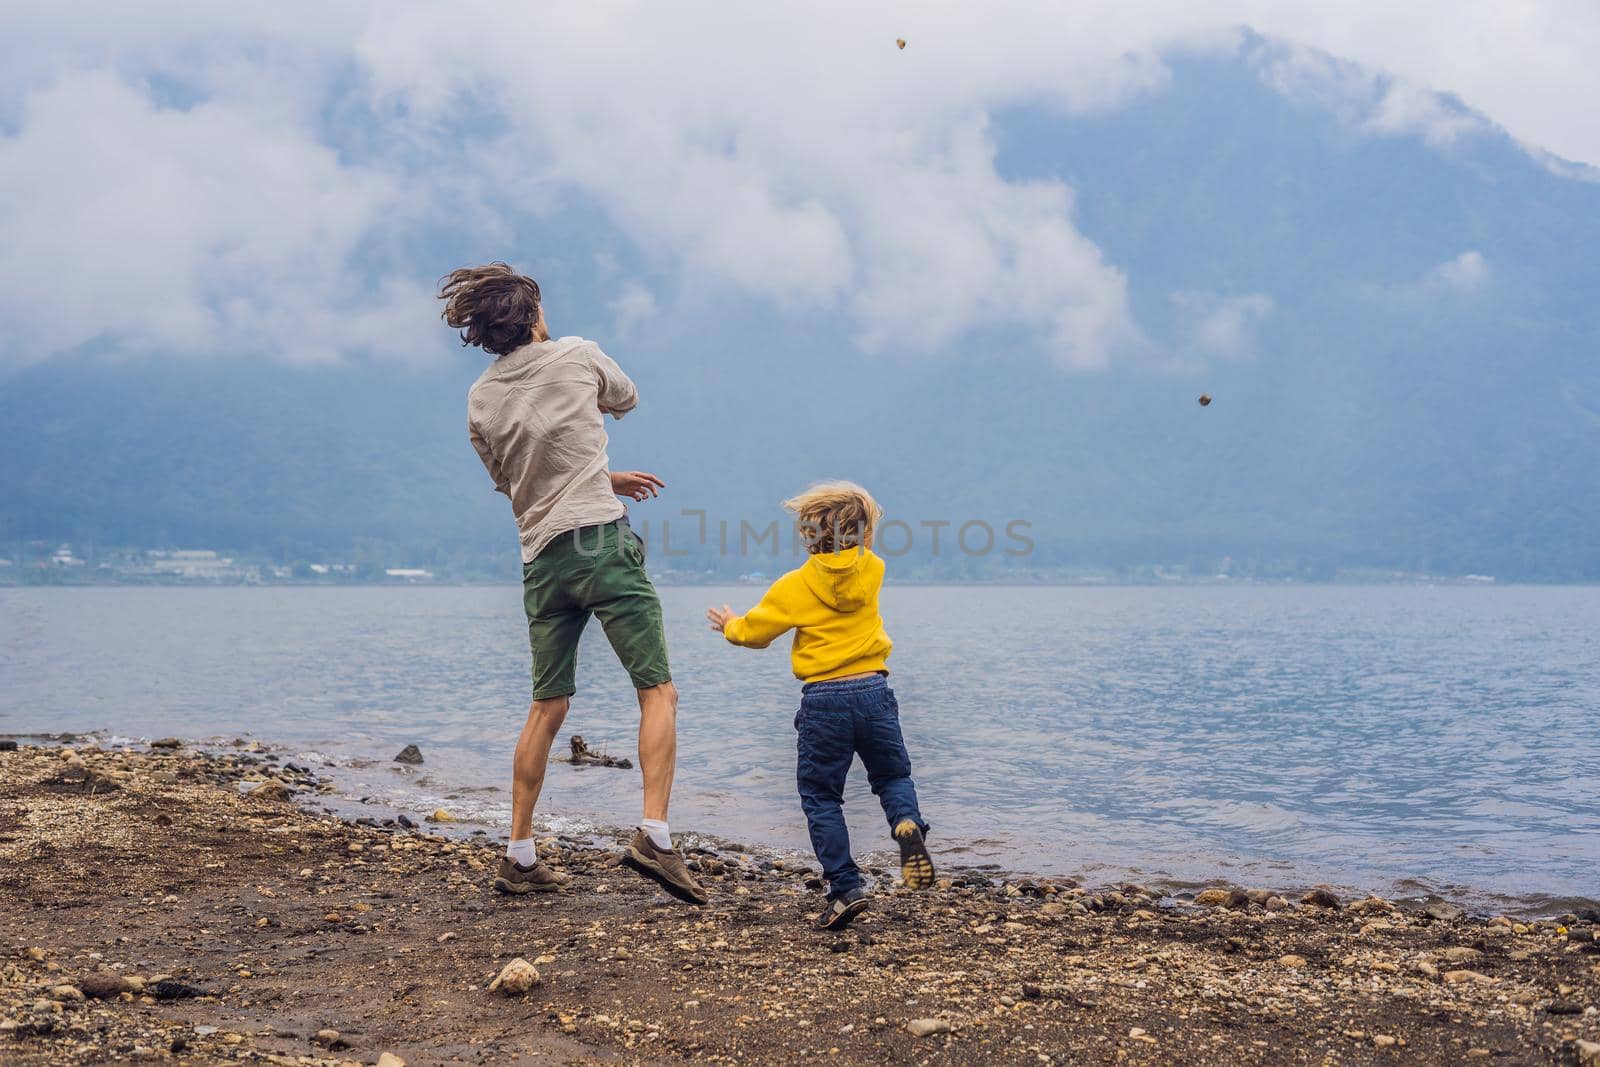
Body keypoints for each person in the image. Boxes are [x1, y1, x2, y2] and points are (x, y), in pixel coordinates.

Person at [439, 262, 706, 905]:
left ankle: (520, 854)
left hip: (541, 559)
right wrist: (596, 471)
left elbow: (515, 479)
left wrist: (599, 474)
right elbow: (626, 397)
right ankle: (654, 836)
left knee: (548, 705)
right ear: (532, 315)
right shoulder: (577, 354)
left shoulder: (479, 399)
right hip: (601, 546)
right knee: (657, 691)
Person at [706, 481, 933, 929]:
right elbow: (858, 548)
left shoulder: (795, 585)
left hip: (824, 700)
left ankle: (846, 887)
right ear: (864, 536)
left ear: (809, 536)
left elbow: (755, 634)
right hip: (874, 692)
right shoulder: (873, 568)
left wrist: (731, 624)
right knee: (891, 776)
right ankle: (907, 823)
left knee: (821, 797)